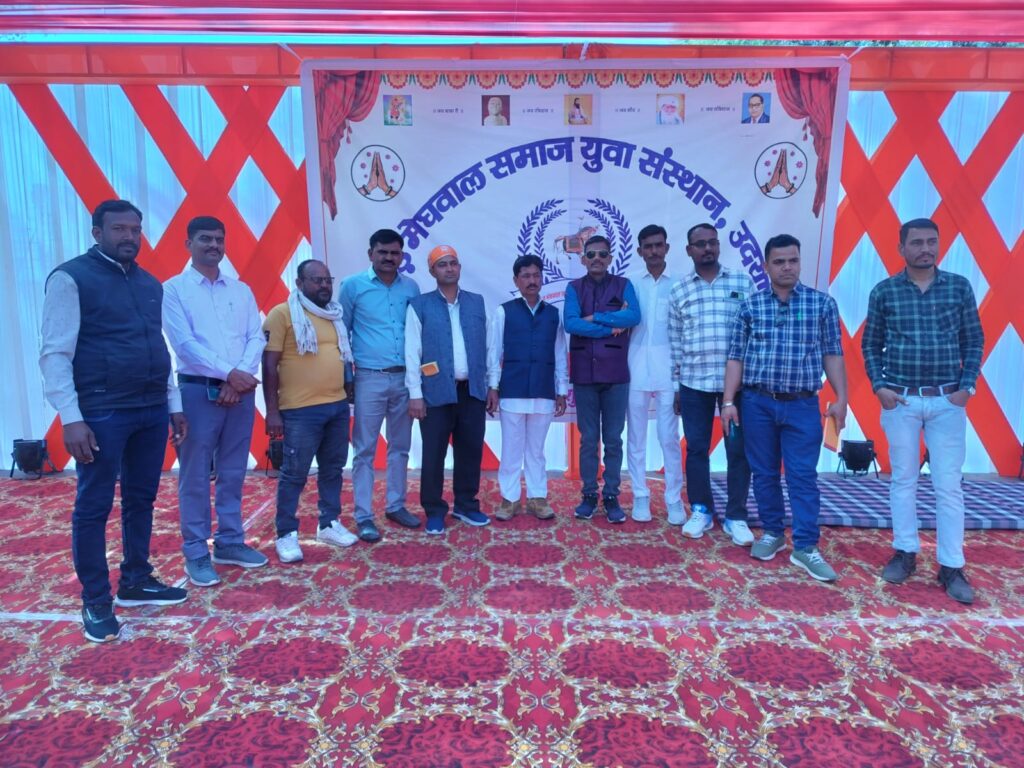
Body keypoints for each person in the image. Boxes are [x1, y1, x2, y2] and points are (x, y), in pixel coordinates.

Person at [39, 199, 188, 643]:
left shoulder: (149, 283)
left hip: (149, 408)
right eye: (119, 229)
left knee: (142, 499)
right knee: (94, 506)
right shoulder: (71, 279)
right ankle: (96, 599)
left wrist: (173, 404)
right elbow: (54, 354)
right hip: (102, 411)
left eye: (135, 230)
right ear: (96, 233)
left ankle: (136, 579)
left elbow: (159, 348)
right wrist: (71, 418)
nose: (129, 237)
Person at [862, 218, 984, 604]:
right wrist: (879, 386)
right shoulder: (884, 291)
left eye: (932, 241)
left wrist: (966, 388)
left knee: (949, 485)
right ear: (901, 248)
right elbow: (870, 344)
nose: (925, 249)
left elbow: (974, 340)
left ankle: (951, 565)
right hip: (901, 401)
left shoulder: (959, 287)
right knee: (903, 479)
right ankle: (905, 552)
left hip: (948, 401)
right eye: (916, 243)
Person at [722, 234, 847, 581]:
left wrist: (841, 398)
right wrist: (729, 401)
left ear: (800, 262)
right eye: (779, 262)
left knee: (802, 476)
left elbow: (833, 354)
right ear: (766, 266)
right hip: (757, 403)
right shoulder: (750, 307)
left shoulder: (822, 304)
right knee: (763, 473)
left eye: (793, 260)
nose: (787, 267)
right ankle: (773, 533)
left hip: (803, 405)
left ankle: (805, 546)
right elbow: (735, 358)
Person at [162, 216, 268, 587]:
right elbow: (184, 344)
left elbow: (256, 337)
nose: (213, 245)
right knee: (194, 474)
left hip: (240, 391)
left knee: (233, 470)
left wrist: (237, 378)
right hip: (197, 392)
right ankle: (195, 551)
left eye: (219, 239)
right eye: (205, 238)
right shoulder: (173, 289)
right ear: (188, 244)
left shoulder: (241, 290)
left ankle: (230, 541)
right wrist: (230, 374)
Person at [263, 259, 358, 563]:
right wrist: (272, 411)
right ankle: (286, 533)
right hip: (299, 410)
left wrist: (348, 386)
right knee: (294, 474)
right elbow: (269, 365)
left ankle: (328, 523)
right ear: (299, 283)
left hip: (337, 406)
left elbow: (341, 356)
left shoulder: (334, 315)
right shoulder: (282, 314)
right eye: (317, 280)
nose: (324, 285)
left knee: (333, 469)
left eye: (327, 280)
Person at [668, 223, 755, 544]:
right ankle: (701, 510)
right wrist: (677, 386)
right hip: (693, 383)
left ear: (718, 246)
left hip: (736, 386)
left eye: (712, 242)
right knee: (696, 448)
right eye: (700, 244)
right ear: (689, 250)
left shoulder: (741, 282)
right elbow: (675, 341)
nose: (707, 248)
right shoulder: (680, 290)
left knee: (738, 449)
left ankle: (736, 516)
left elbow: (754, 332)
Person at [339, 230, 422, 542]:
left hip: (405, 379)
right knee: (364, 449)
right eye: (383, 252)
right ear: (370, 253)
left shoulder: (411, 287)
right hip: (369, 378)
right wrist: (347, 377)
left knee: (400, 447)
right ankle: (363, 515)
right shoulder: (352, 286)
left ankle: (395, 505)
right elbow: (341, 333)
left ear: (402, 256)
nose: (389, 258)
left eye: (394, 253)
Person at [405, 245, 491, 535]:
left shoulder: (477, 302)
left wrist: (491, 385)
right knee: (433, 454)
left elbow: (489, 347)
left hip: (472, 392)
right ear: (432, 271)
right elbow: (412, 352)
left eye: (453, 263)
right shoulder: (419, 305)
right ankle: (434, 510)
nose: (449, 268)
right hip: (434, 393)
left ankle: (466, 505)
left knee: (470, 451)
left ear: (460, 267)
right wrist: (415, 394)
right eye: (442, 264)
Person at [564, 235, 641, 523]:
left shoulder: (624, 285)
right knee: (588, 440)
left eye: (602, 254)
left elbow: (633, 317)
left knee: (613, 439)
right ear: (583, 258)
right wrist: (610, 326)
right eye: (591, 254)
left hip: (616, 374)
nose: (596, 258)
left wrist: (594, 316)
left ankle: (611, 496)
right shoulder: (574, 288)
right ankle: (588, 495)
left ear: (610, 258)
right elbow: (571, 323)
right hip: (584, 374)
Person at [487, 255, 568, 521]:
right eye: (525, 276)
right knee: (511, 449)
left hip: (544, 391)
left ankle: (537, 497)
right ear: (516, 281)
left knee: (536, 450)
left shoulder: (553, 314)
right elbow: (493, 352)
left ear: (542, 278)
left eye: (536, 275)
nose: (532, 281)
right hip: (512, 390)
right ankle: (509, 499)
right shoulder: (503, 312)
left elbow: (560, 354)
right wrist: (493, 387)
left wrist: (561, 390)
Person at [626, 225, 684, 524]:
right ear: (639, 251)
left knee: (668, 438)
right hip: (634, 368)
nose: (653, 251)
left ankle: (674, 499)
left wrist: (680, 376)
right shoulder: (631, 284)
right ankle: (640, 495)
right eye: (647, 246)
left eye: (658, 245)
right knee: (635, 437)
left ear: (667, 248)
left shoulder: (680, 284)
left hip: (669, 372)